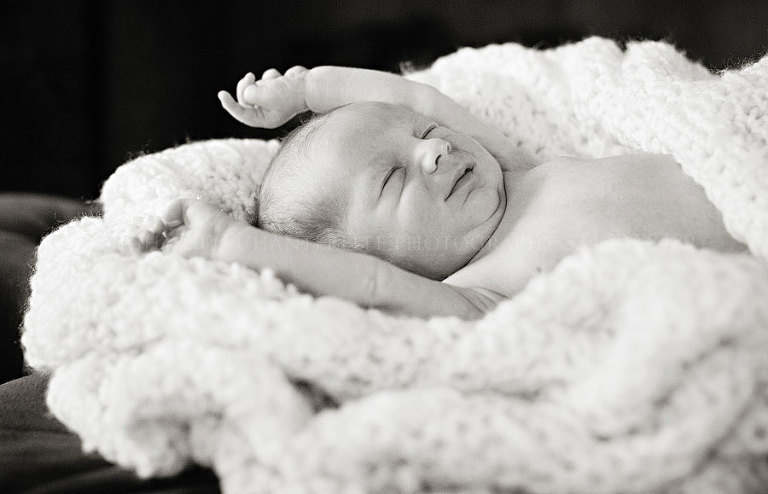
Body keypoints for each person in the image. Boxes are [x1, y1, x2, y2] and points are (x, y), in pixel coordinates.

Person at [132, 66, 745, 319]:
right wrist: (231, 243)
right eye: (394, 180)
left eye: (428, 137)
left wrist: (310, 89)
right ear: (368, 255)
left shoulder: (518, 169)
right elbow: (369, 288)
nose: (434, 151)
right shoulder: (479, 294)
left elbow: (418, 100)